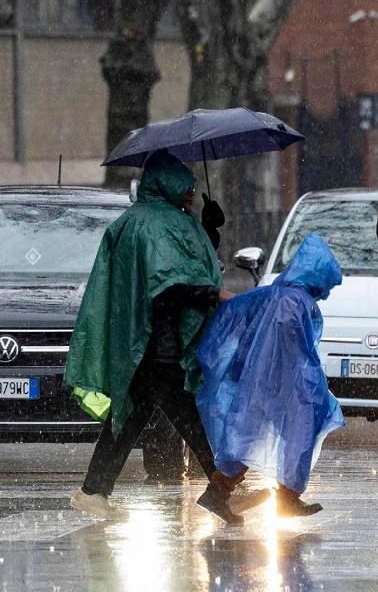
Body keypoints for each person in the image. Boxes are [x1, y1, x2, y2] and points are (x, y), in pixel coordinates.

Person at [64, 150, 249, 525]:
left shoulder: (145, 221)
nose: (192, 193)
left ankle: (93, 491)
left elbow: (183, 264)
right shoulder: (155, 225)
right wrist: (213, 294)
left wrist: (208, 230)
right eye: (186, 186)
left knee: (129, 419)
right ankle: (223, 489)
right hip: (159, 344)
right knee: (192, 419)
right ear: (166, 183)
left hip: (141, 344)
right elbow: (167, 286)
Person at [197, 234, 346, 516]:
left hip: (264, 381)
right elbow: (292, 349)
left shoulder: (278, 294)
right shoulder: (294, 301)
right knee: (296, 431)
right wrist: (308, 384)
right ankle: (284, 497)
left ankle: (222, 491)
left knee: (248, 433)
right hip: (281, 383)